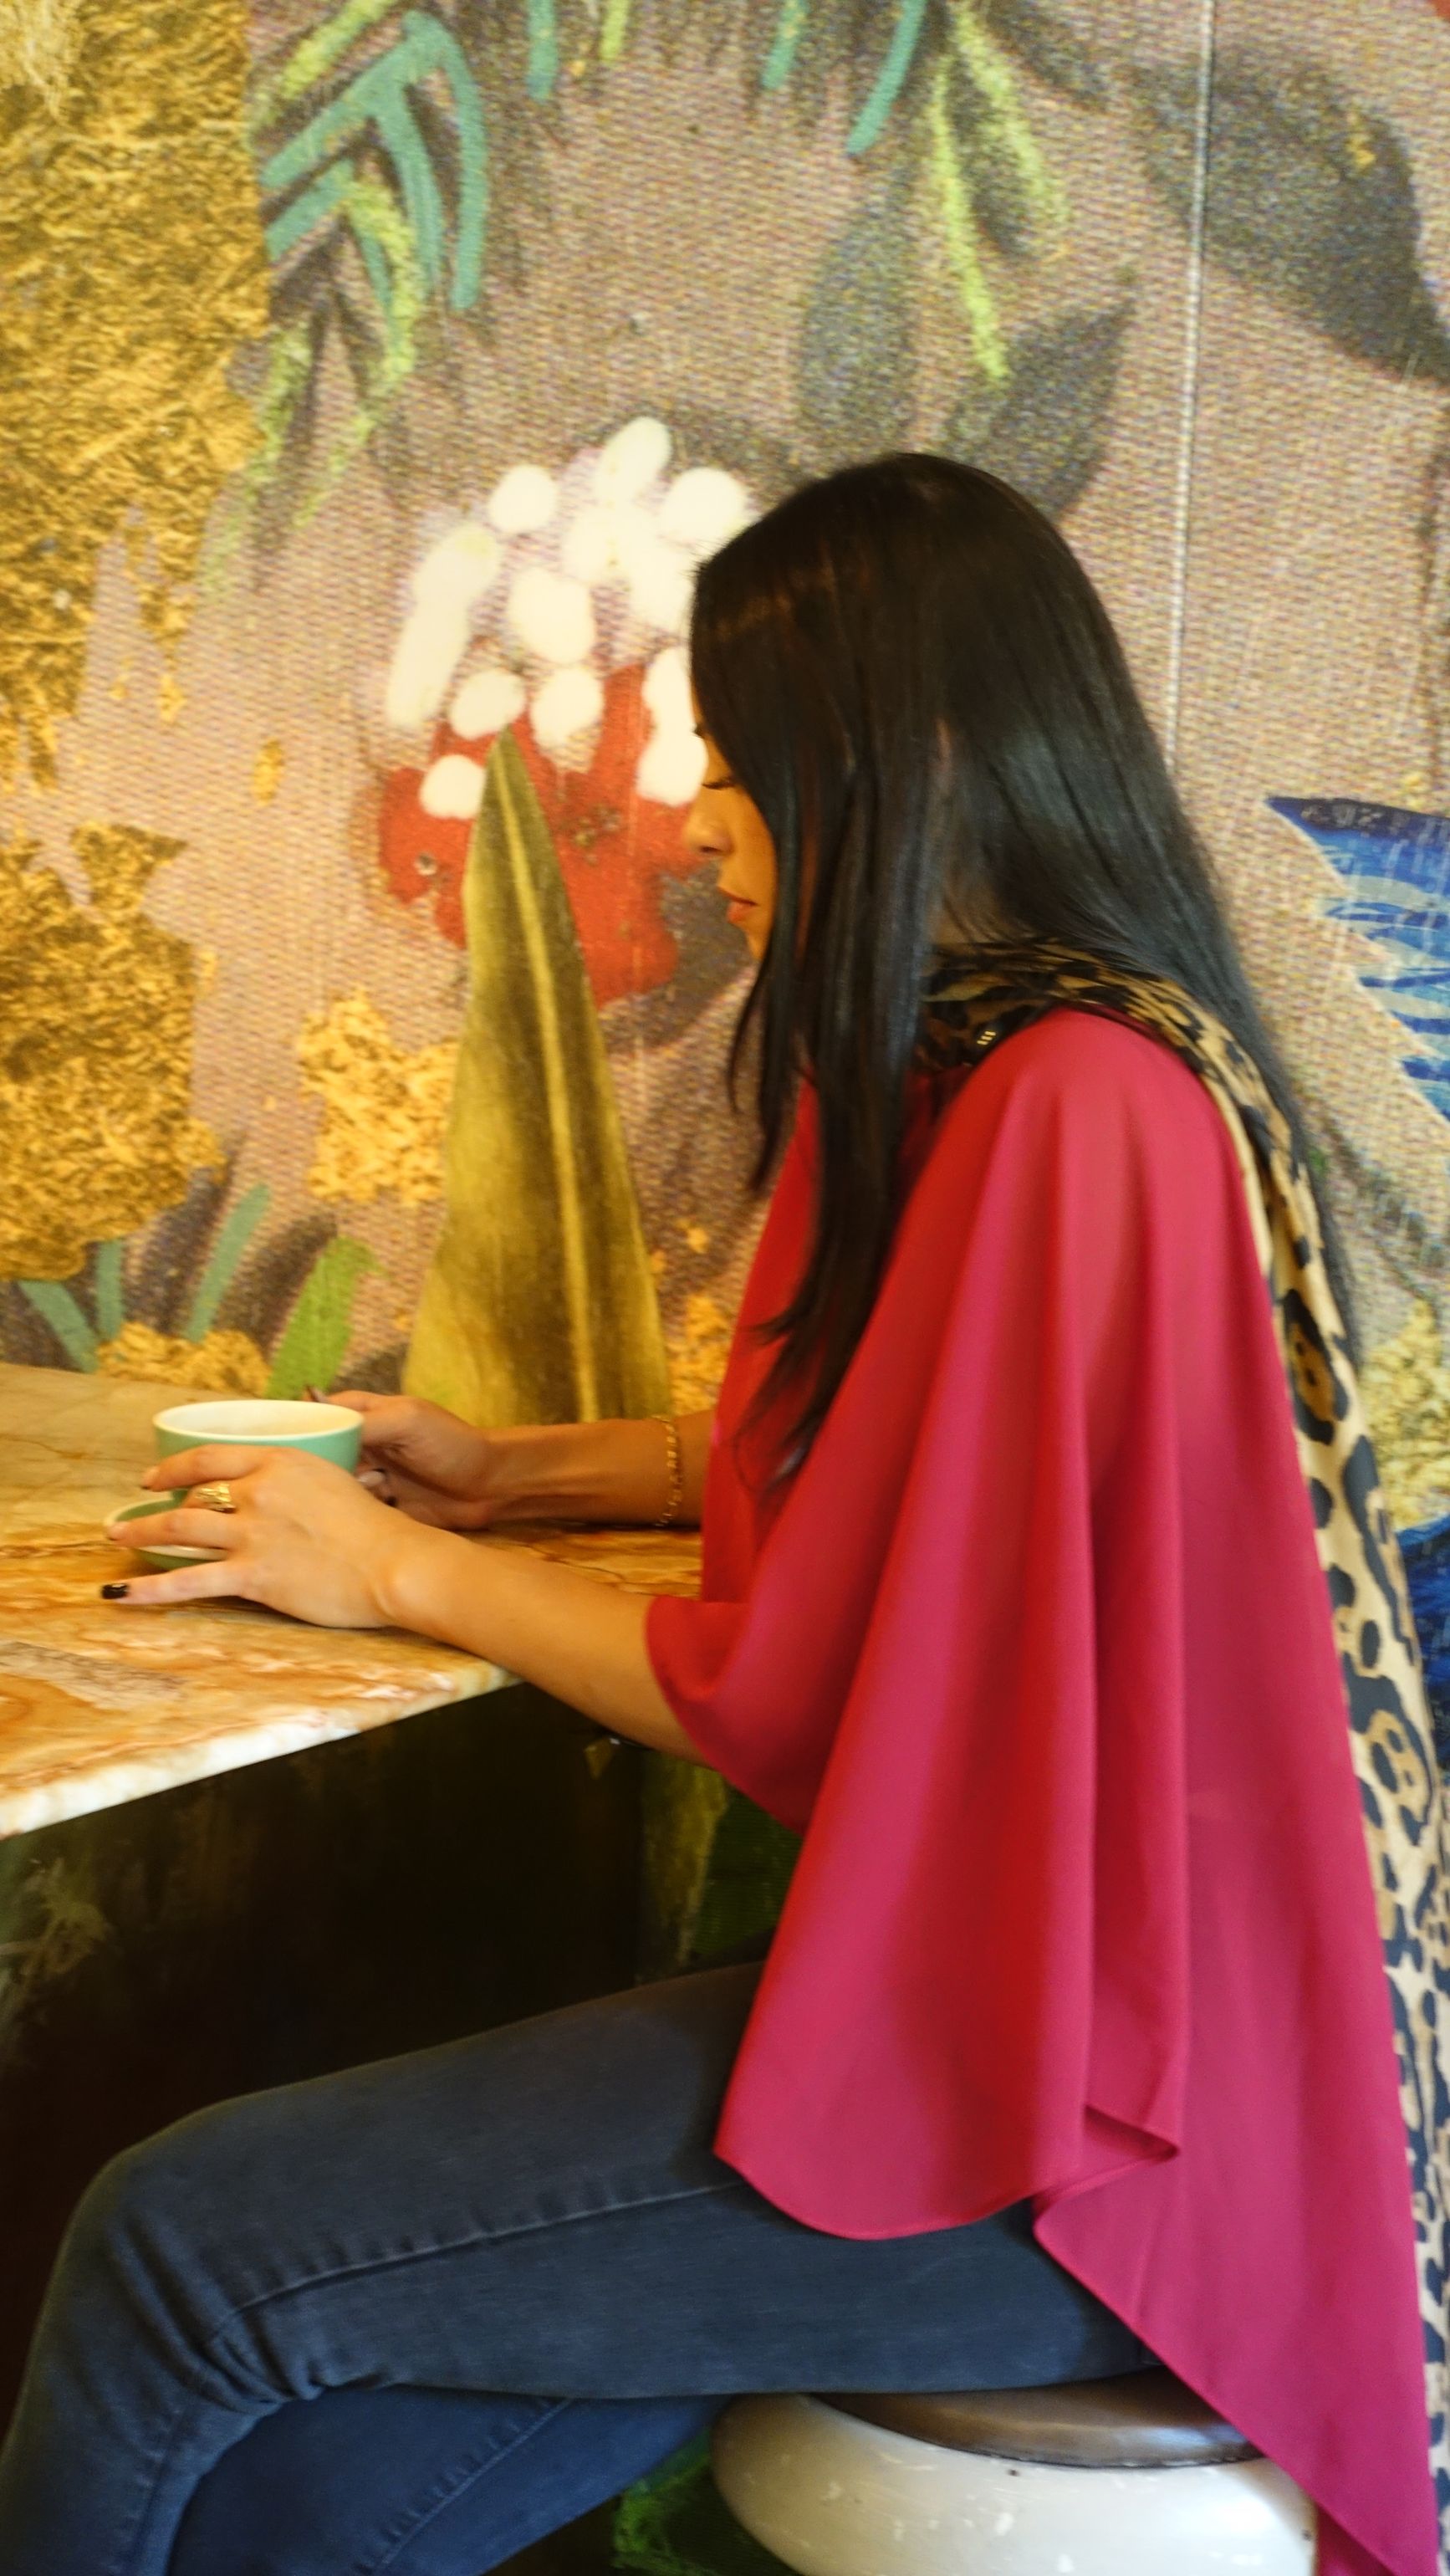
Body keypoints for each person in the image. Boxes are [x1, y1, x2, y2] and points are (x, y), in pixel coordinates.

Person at [0, 457, 1442, 2576]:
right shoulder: (1029, 1060)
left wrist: (393, 1566)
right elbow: (933, 1492)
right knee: (293, 2496)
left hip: (1105, 2137)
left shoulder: (1071, 1101)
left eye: (740, 765)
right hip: (1068, 2030)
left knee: (171, 2249)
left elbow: (815, 1687)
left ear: (907, 759)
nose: (695, 825)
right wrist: (530, 1469)